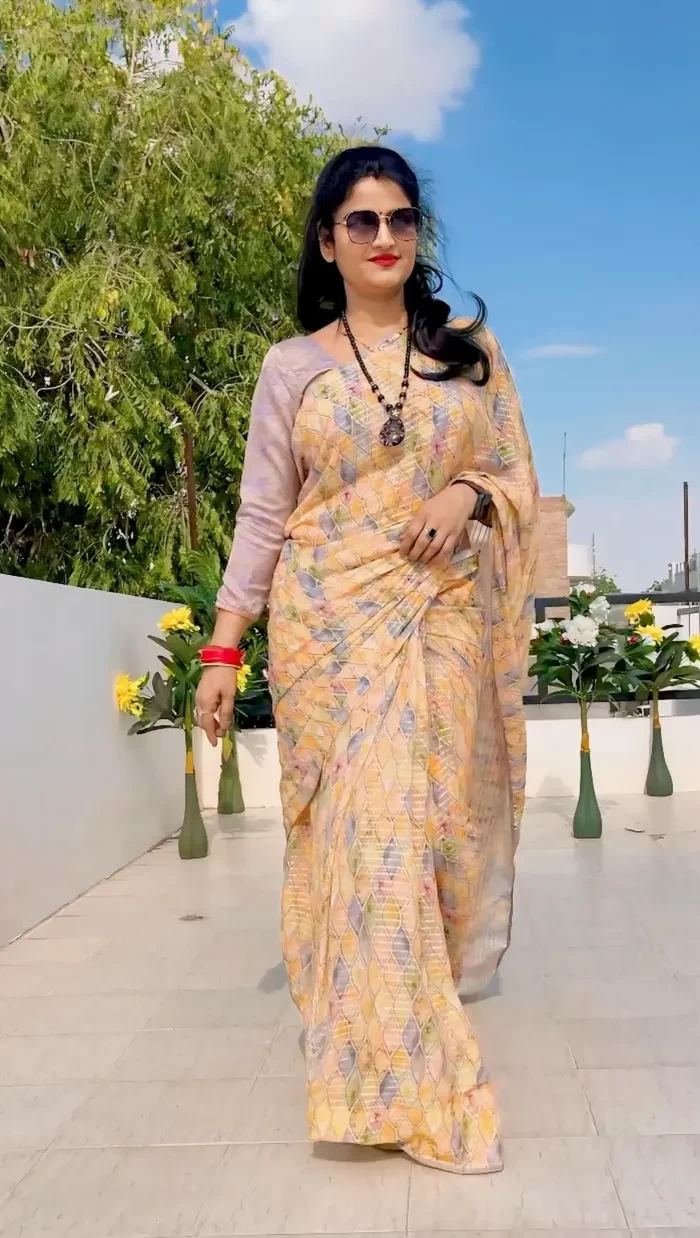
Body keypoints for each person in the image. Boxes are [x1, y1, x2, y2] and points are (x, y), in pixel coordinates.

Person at [196, 145, 539, 1174]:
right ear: (327, 241)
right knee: (369, 835)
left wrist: (467, 493)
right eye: (361, 220)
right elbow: (264, 513)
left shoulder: (467, 353)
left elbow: (511, 470)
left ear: (417, 234)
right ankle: (405, 1085)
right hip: (328, 626)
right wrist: (222, 646)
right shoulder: (291, 368)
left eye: (400, 218)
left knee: (430, 830)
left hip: (441, 617)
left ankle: (396, 1014)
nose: (384, 237)